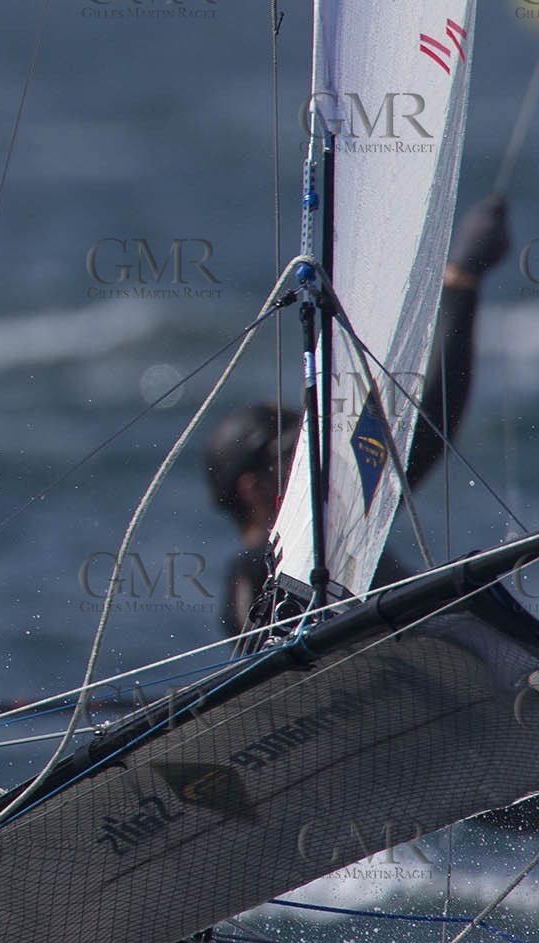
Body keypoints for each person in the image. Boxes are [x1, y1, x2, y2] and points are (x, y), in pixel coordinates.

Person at [204, 194, 510, 648]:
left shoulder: (345, 528)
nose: (319, 457)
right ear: (254, 487)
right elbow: (256, 652)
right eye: (296, 453)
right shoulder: (258, 567)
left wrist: (462, 283)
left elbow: (427, 430)